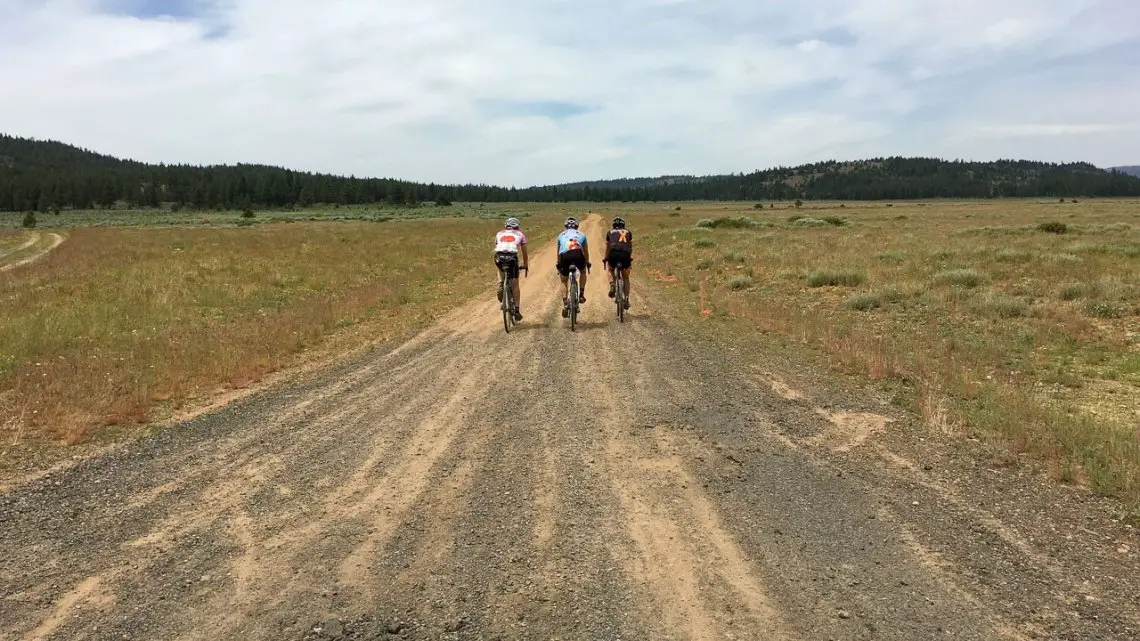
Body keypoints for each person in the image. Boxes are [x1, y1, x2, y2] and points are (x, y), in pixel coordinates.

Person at [493, 217, 528, 322]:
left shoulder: (499, 233)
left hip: (499, 256)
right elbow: (524, 252)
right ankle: (516, 310)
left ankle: (501, 284)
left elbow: (498, 246)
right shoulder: (520, 234)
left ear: (506, 226)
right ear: (517, 227)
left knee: (500, 268)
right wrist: (525, 264)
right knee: (515, 283)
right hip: (512, 257)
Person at [556, 217, 591, 317]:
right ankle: (581, 295)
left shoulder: (561, 235)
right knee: (583, 272)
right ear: (576, 226)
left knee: (563, 280)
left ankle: (565, 302)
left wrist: (558, 263)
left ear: (566, 227)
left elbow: (558, 252)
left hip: (565, 256)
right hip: (577, 254)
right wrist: (587, 262)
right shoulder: (582, 235)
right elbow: (585, 251)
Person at [604, 216, 633, 309]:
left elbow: (608, 247)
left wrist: (605, 258)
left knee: (610, 269)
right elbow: (629, 247)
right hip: (625, 255)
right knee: (626, 277)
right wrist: (629, 257)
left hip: (613, 254)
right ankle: (627, 300)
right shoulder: (628, 232)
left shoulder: (610, 232)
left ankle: (612, 284)